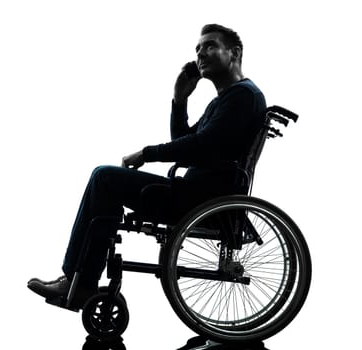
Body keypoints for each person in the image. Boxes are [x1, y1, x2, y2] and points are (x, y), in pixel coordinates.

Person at [27, 24, 267, 307]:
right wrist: (180, 100)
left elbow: (199, 147)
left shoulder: (243, 96)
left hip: (202, 198)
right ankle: (78, 280)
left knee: (105, 178)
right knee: (104, 183)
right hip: (196, 193)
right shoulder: (227, 99)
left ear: (234, 52)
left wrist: (146, 154)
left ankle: (79, 282)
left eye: (210, 46)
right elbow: (185, 142)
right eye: (198, 49)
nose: (201, 53)